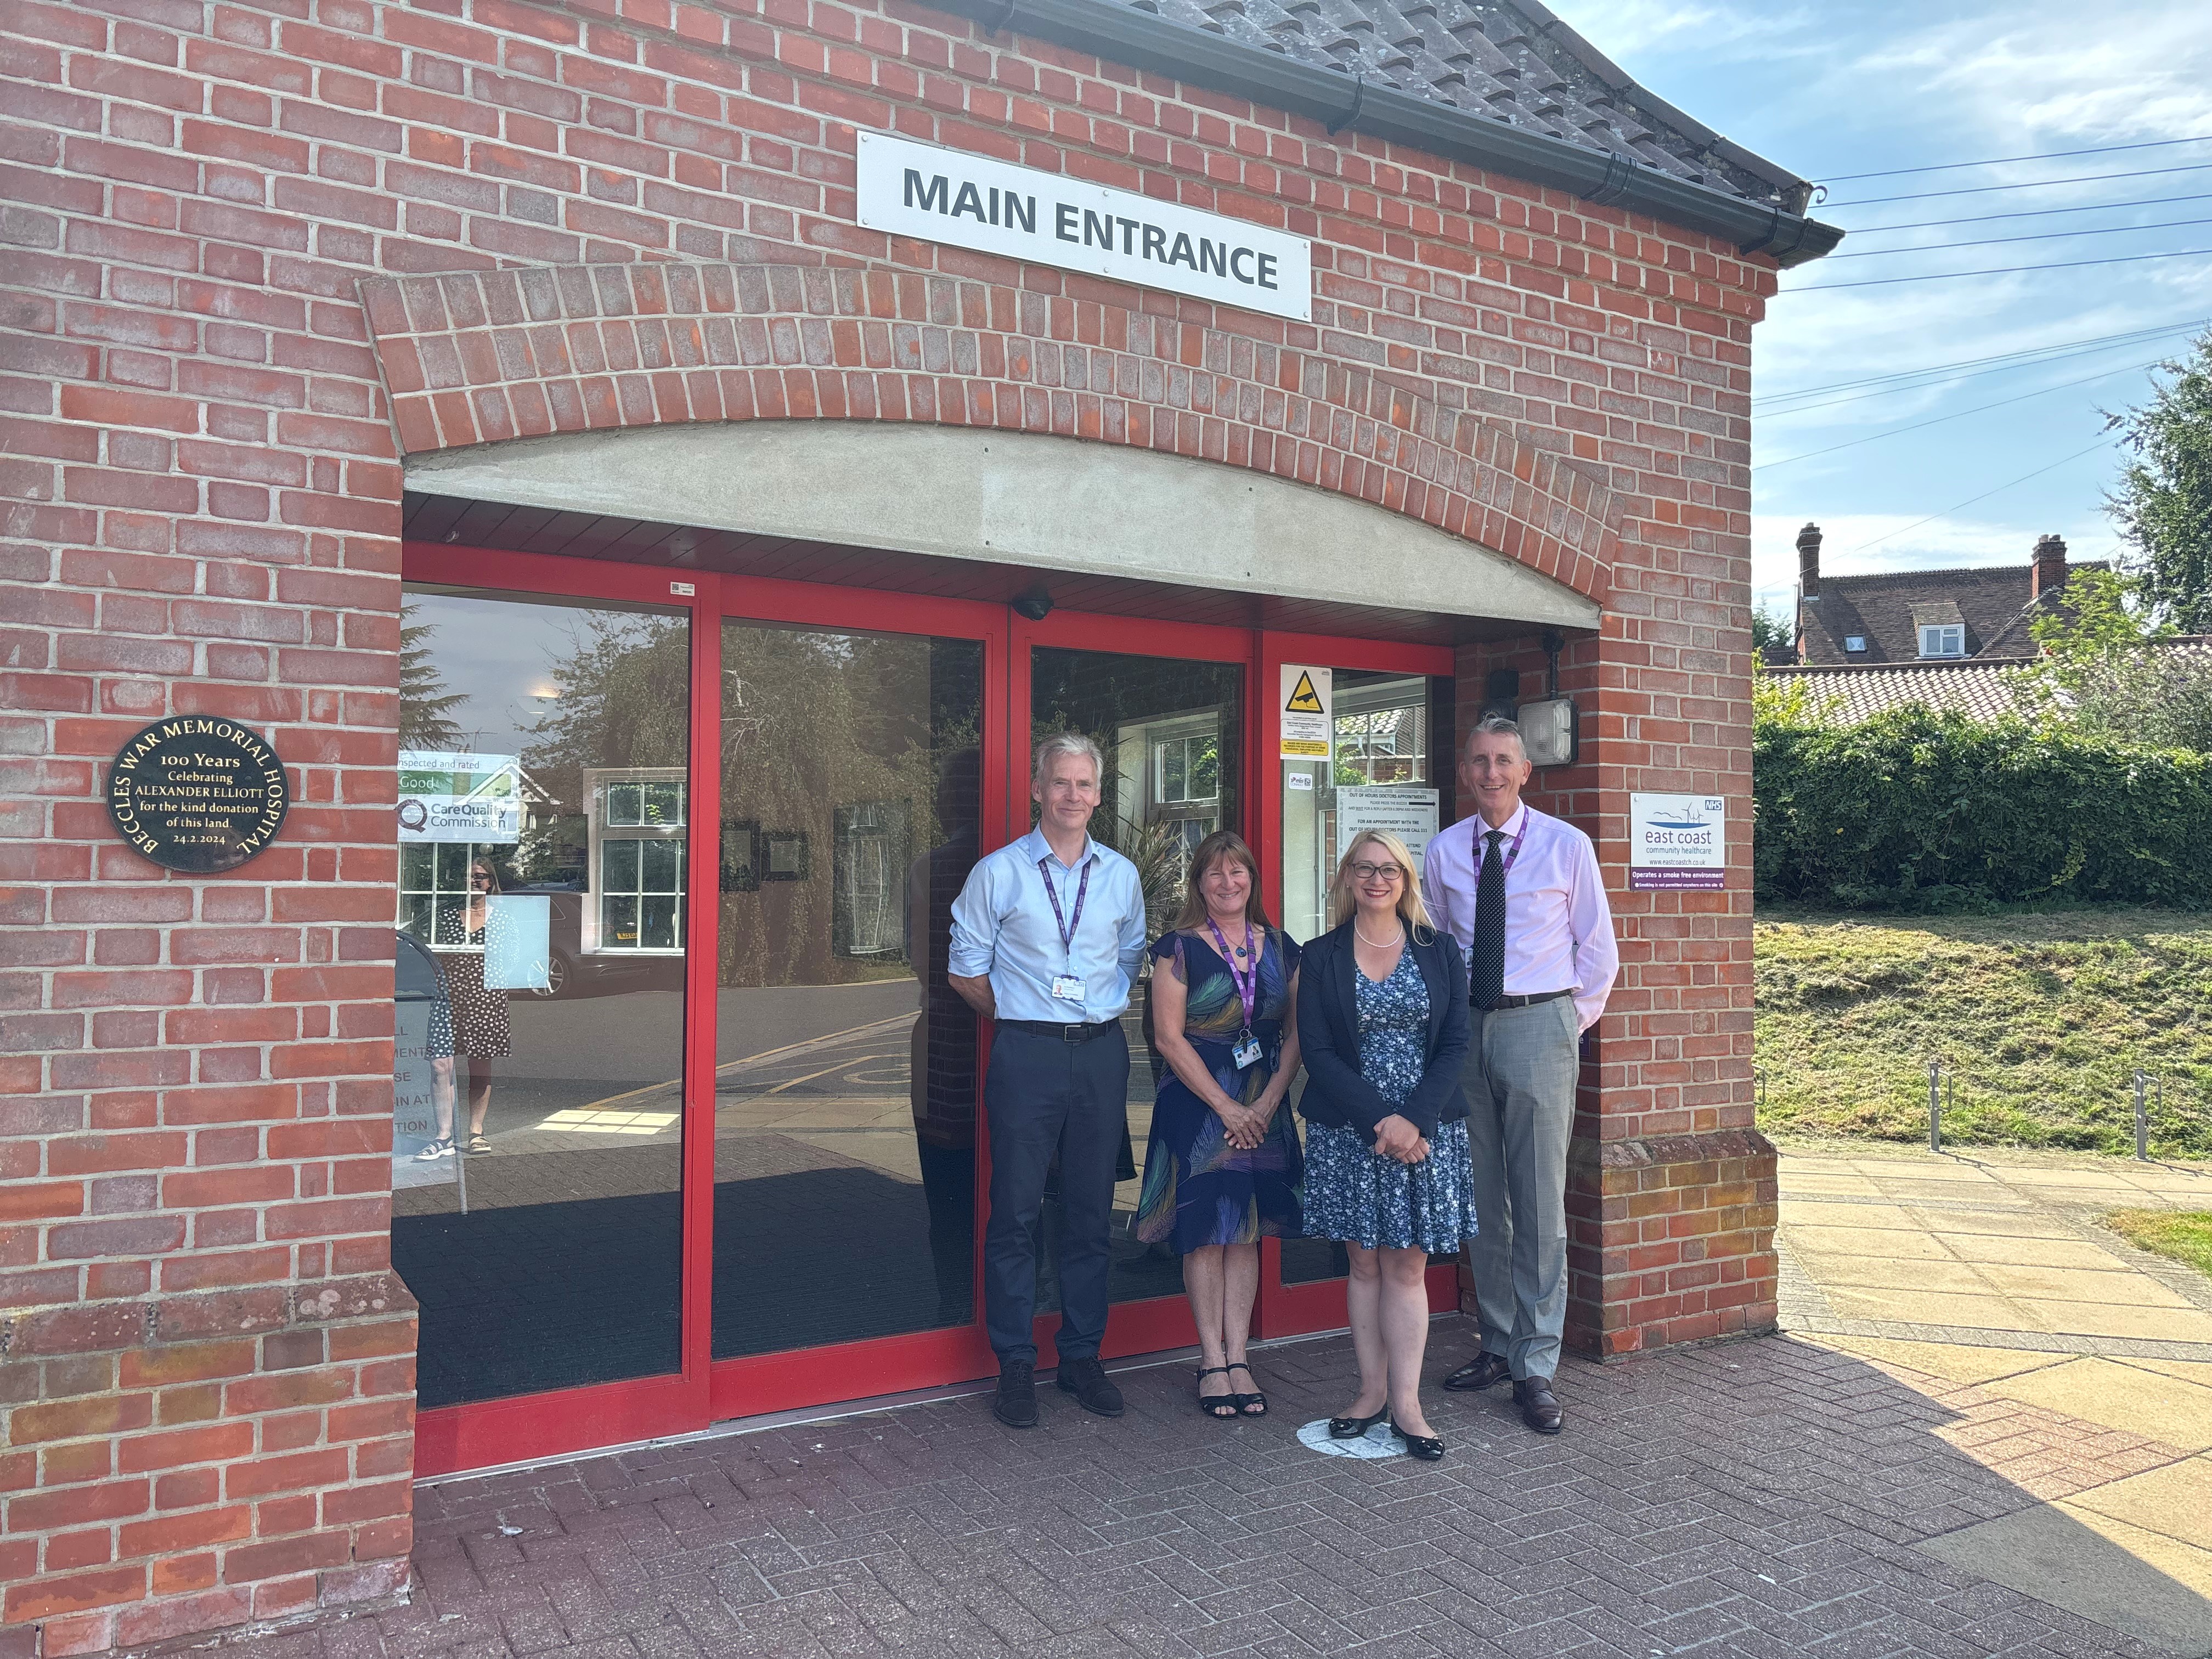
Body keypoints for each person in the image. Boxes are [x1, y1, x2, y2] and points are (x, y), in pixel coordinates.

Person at [1423, 714, 1620, 1436]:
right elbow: (1440, 942)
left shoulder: (1567, 847)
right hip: (1470, 1029)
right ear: (1466, 772)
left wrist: (1566, 1023)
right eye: (1479, 762)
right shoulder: (1444, 851)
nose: (1491, 774)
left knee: (1538, 1201)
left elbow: (1598, 950)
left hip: (1541, 1022)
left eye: (1504, 761)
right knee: (1484, 1199)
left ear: (1526, 771)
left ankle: (1537, 1364)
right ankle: (1498, 1345)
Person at [949, 733, 1149, 1429]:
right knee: (1016, 1212)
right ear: (1038, 790)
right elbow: (965, 971)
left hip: (1099, 1054)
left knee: (1092, 1213)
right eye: (1060, 783)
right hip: (1026, 1055)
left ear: (1098, 794)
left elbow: (1128, 958)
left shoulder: (1120, 875)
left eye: (1084, 785)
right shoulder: (998, 873)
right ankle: (1014, 1362)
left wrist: (1086, 1012)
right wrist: (1020, 1017)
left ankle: (1082, 1357)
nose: (1072, 796)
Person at [1296, 830, 1475, 1462]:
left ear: (1406, 880)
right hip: (1352, 1130)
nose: (1377, 880)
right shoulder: (1320, 957)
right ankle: (1369, 1394)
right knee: (1364, 1262)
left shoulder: (1440, 950)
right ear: (1347, 877)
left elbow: (1457, 1042)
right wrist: (1382, 1121)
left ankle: (1407, 1404)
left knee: (1407, 1265)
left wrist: (1413, 1120)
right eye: (1365, 869)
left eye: (1390, 870)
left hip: (1424, 1131)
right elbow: (1316, 1052)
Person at [1136, 831, 1304, 1420]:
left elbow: (1297, 1035)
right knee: (1207, 1230)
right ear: (1198, 884)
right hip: (1198, 1105)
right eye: (1215, 874)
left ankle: (1240, 1359)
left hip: (1264, 1102)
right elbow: (1167, 1037)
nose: (1228, 884)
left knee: (1247, 1229)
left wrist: (1265, 1103)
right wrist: (1229, 1108)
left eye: (1238, 874)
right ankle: (1211, 1359)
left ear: (1251, 880)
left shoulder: (1282, 947)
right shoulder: (1177, 948)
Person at [429, 855, 511, 1156]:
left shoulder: (502, 918)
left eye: (480, 876)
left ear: (491, 882)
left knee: (480, 1066)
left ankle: (476, 1132)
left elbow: (514, 956)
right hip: (449, 996)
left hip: (485, 997)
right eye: (469, 876)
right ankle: (443, 1136)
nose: (474, 881)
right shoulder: (447, 915)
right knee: (441, 1065)